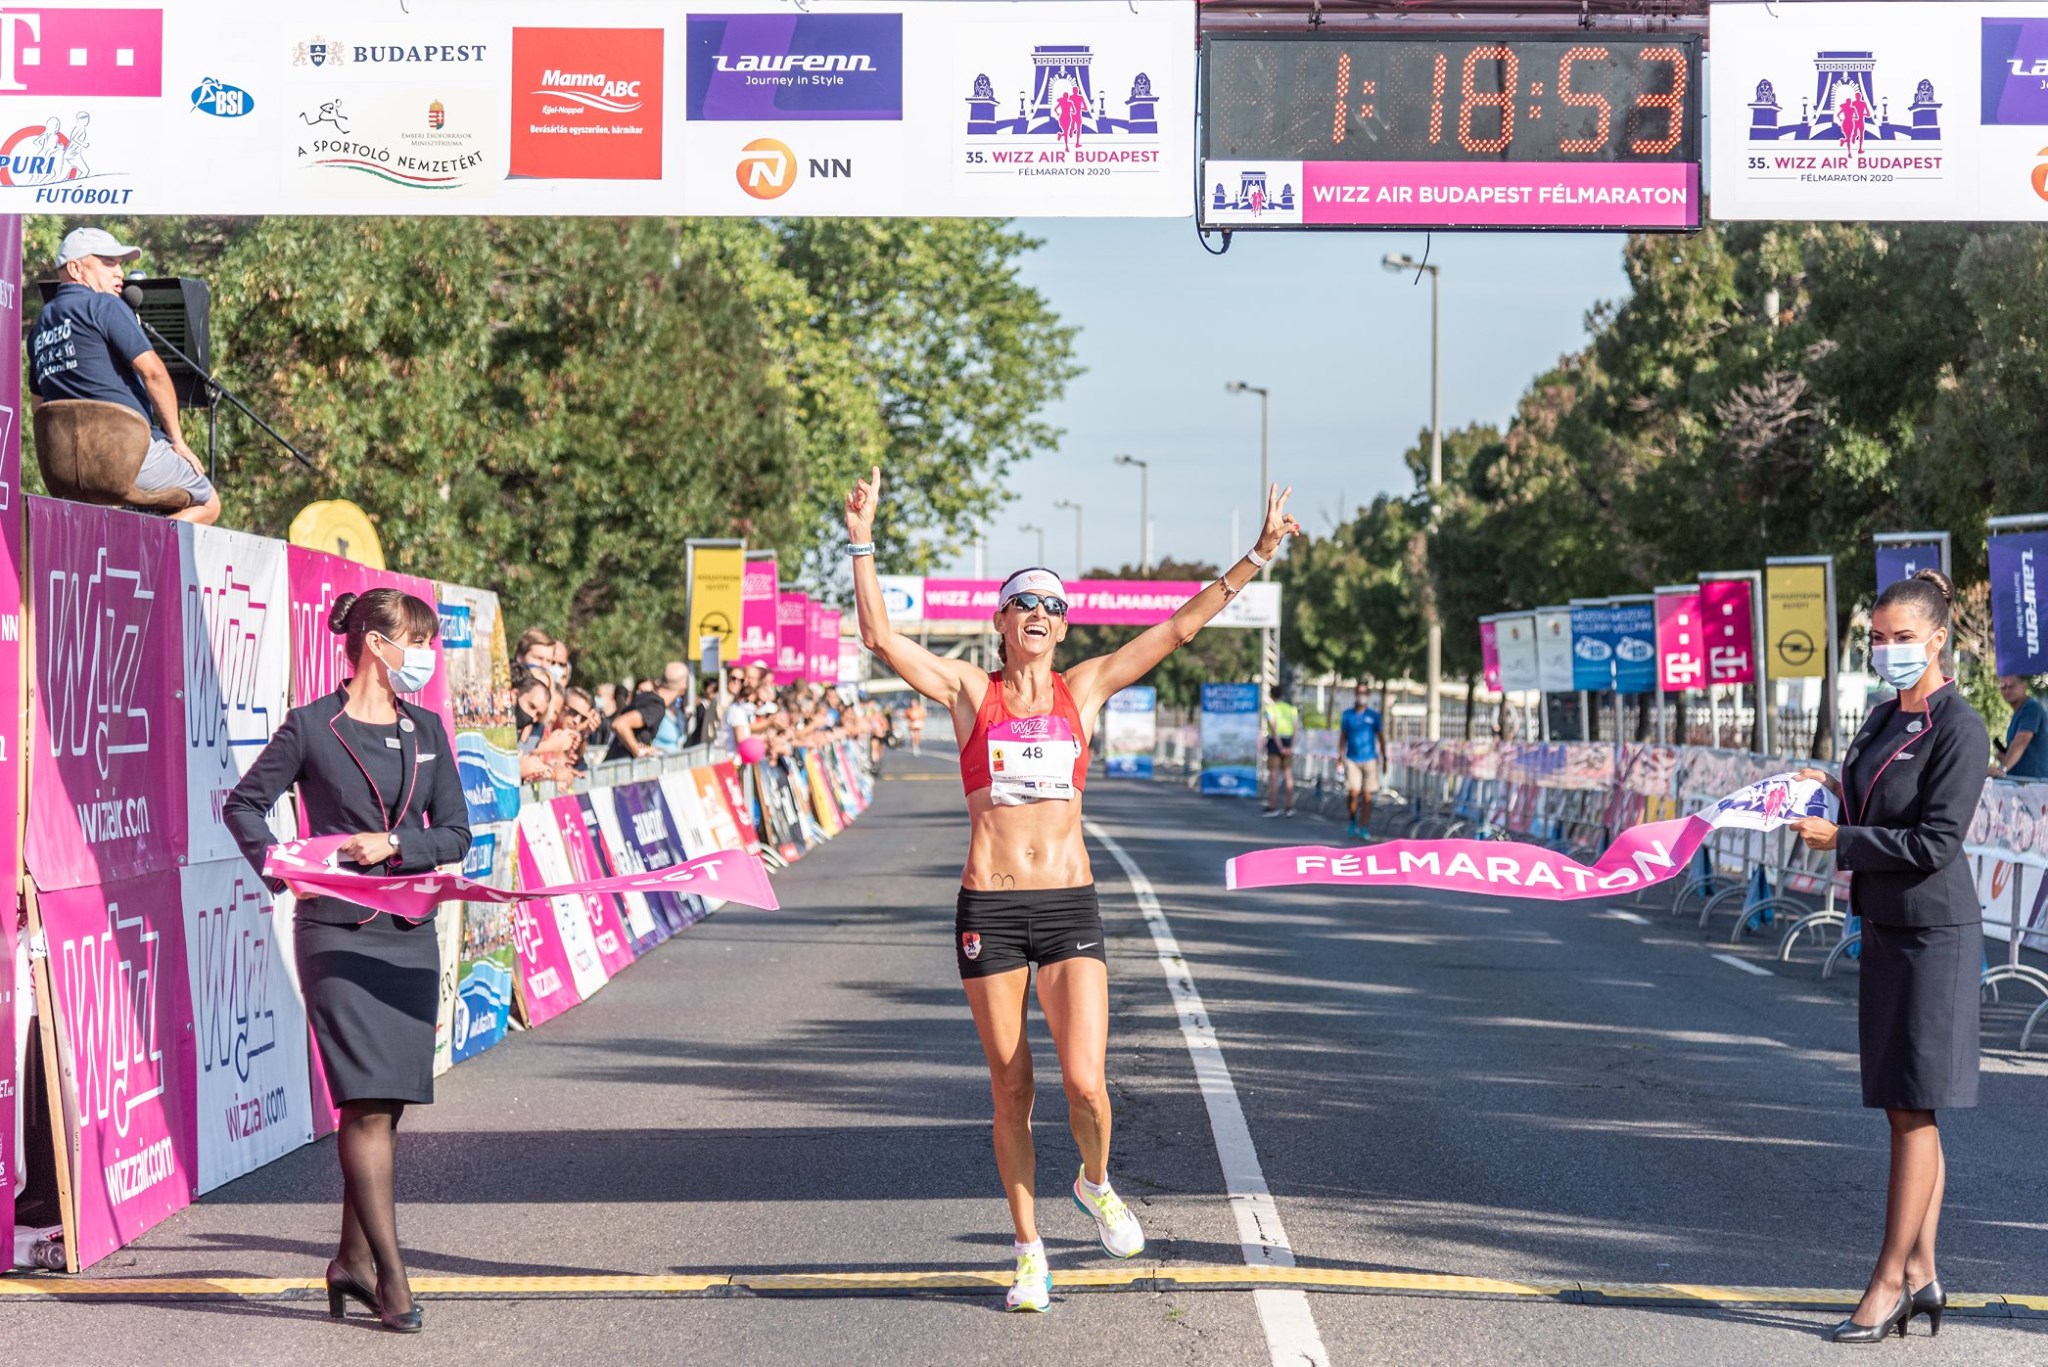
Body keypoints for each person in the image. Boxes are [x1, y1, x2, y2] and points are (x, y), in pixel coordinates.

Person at [846, 464, 1298, 1313]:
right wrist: (862, 540)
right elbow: (878, 637)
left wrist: (1258, 554)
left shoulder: (1081, 688)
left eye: (1053, 606)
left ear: (1062, 626)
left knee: (1086, 1082)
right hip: (990, 909)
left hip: (1067, 907)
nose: (1041, 613)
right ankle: (1028, 1251)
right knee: (1011, 1087)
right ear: (1001, 620)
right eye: (1025, 602)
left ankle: (1095, 1181)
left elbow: (1176, 629)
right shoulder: (969, 691)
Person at [222, 589, 470, 1334]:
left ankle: (350, 1262)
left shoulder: (427, 729)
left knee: (386, 1105)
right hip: (335, 934)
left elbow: (455, 833)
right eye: (414, 641)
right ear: (373, 643)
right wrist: (286, 868)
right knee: (361, 1101)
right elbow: (243, 805)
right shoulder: (310, 727)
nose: (424, 656)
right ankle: (392, 1279)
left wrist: (396, 845)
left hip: (408, 933)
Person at [1788, 569, 1988, 1345]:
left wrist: (1841, 839)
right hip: (1883, 925)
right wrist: (1826, 795)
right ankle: (1923, 1271)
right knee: (1904, 1105)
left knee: (1913, 1108)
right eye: (1877, 637)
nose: (1887, 649)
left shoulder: (1960, 727)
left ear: (1938, 639)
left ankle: (1888, 1282)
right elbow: (1873, 805)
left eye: (1902, 637)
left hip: (1933, 934)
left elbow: (1935, 841)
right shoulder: (1880, 716)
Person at [27, 227, 220, 523]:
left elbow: (39, 407)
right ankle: (146, 543)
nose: (120, 273)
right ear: (75, 269)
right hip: (126, 456)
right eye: (108, 263)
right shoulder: (103, 305)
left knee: (116, 504)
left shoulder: (40, 327)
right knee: (208, 501)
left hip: (66, 471)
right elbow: (153, 373)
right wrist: (178, 441)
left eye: (120, 264)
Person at [1338, 684, 1384, 838]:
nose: (1361, 695)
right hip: (1352, 758)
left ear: (1368, 695)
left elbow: (1381, 737)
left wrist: (1385, 757)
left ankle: (1364, 826)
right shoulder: (1347, 715)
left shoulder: (1374, 716)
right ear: (1355, 694)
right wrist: (1340, 758)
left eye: (1364, 693)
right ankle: (1352, 820)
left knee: (1367, 796)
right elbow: (1342, 737)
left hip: (1370, 759)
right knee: (1353, 792)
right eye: (1359, 692)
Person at [606, 670, 683, 762]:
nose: (643, 695)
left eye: (647, 692)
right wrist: (638, 750)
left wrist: (640, 747)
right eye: (640, 691)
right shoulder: (655, 705)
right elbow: (619, 724)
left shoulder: (654, 705)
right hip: (620, 766)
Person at [1993, 675, 2048, 780]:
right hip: (2022, 781)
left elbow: (2022, 740)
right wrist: (2005, 757)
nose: (2007, 690)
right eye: (2003, 687)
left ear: (2024, 686)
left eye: (2011, 686)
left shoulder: (2031, 707)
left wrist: (2002, 769)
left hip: (2034, 783)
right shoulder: (2018, 713)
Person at [1261, 684, 1299, 817]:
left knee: (1273, 776)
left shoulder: (1270, 709)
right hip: (1289, 742)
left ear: (1271, 696)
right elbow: (1296, 729)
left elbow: (1273, 730)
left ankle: (1272, 806)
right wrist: (1291, 747)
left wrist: (1280, 747)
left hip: (1275, 744)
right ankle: (1289, 806)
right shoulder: (1292, 709)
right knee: (1288, 775)